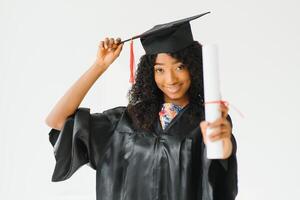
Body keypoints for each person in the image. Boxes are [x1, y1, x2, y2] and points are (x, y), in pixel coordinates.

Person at [45, 13, 238, 200]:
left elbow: (220, 180)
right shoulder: (126, 121)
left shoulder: (209, 121)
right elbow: (57, 120)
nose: (170, 79)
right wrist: (99, 65)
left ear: (193, 67)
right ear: (149, 73)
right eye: (160, 69)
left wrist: (225, 147)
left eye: (179, 67)